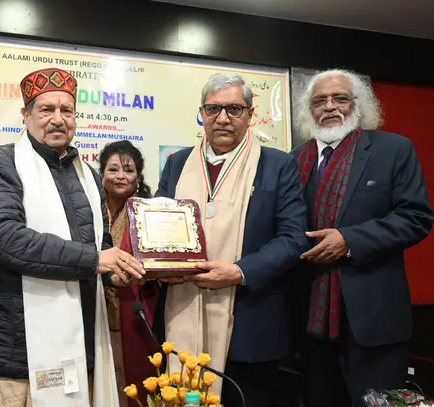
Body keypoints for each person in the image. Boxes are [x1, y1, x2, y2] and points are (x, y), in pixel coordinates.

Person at [0, 68, 145, 407]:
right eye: (46, 109)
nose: (57, 119)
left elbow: (101, 245)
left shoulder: (89, 175)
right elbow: (3, 238)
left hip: (79, 349)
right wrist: (95, 261)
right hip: (14, 358)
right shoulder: (0, 164)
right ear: (26, 115)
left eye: (67, 110)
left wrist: (114, 273)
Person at [155, 72, 308, 407]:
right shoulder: (177, 164)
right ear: (202, 113)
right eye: (213, 109)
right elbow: (157, 228)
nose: (222, 118)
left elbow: (293, 239)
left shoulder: (277, 165)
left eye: (234, 109)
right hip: (181, 312)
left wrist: (239, 272)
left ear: (250, 115)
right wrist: (158, 265)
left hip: (249, 323)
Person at [291, 69, 434, 407]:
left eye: (340, 98)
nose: (329, 106)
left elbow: (416, 217)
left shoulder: (393, 150)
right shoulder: (293, 159)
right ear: (308, 110)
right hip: (309, 320)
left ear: (359, 104)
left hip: (374, 322)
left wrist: (349, 239)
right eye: (319, 100)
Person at [99, 140, 159, 407]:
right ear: (101, 175)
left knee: (136, 377)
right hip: (94, 307)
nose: (120, 176)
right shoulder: (87, 209)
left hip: (135, 306)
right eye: (113, 169)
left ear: (138, 178)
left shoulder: (148, 211)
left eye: (128, 170)